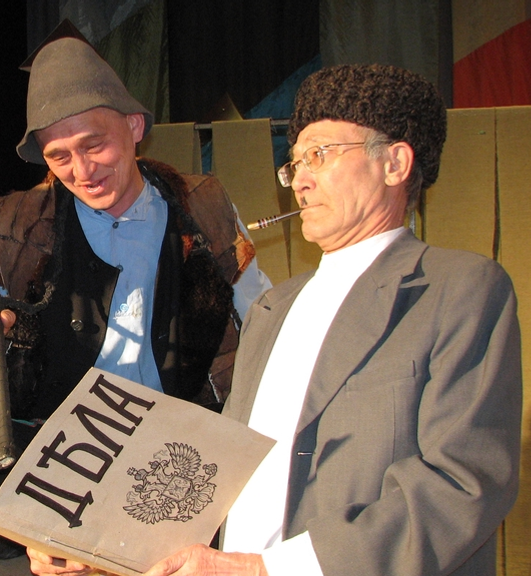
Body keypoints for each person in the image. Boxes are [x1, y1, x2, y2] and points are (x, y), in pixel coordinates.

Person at [82, 63, 522, 576]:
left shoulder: (458, 290)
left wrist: (262, 569)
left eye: (319, 155)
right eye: (293, 164)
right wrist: (95, 542)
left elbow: (462, 484)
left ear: (395, 163)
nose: (300, 181)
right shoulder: (273, 310)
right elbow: (216, 477)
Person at [0, 36, 271, 559]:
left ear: (134, 128)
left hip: (176, 450)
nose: (82, 171)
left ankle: (57, 531)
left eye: (95, 146)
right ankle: (111, 534)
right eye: (59, 156)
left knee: (269, 465)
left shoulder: (204, 208)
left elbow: (264, 331)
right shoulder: (11, 228)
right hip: (62, 455)